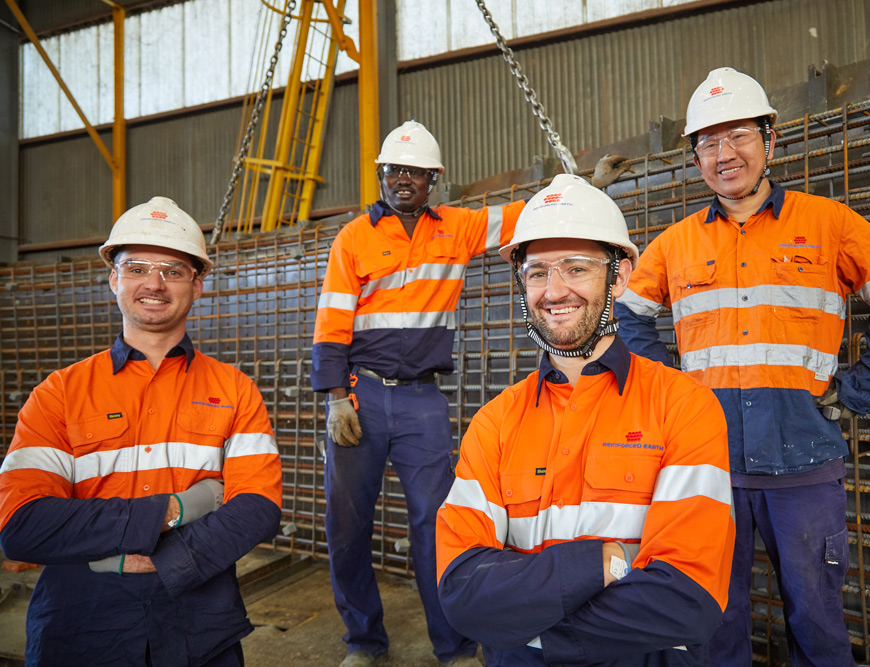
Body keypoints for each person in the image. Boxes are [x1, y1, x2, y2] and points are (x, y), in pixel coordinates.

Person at [613, 68, 870, 666]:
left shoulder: (827, 224)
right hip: (709, 468)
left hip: (804, 461)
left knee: (817, 618)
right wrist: (673, 390)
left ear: (770, 142)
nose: (724, 153)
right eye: (708, 142)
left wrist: (859, 388)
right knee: (712, 616)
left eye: (738, 135)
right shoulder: (676, 244)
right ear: (696, 157)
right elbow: (629, 318)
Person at [435, 174, 736, 667]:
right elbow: (462, 592)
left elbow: (688, 600)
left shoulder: (684, 406)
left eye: (576, 268)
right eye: (536, 273)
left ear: (618, 277)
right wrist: (600, 563)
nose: (554, 292)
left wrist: (525, 631)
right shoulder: (495, 422)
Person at [0, 196, 284, 667]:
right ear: (114, 278)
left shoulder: (235, 390)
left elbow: (257, 509)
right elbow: (22, 527)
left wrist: (155, 559)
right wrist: (176, 508)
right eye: (137, 268)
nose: (154, 283)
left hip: (200, 626)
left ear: (197, 284)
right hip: (80, 625)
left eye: (173, 271)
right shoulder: (59, 394)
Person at [311, 120, 526, 667]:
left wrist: (581, 186)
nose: (402, 179)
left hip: (422, 402)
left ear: (434, 179)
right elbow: (332, 321)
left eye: (415, 171)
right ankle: (364, 641)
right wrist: (335, 396)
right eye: (393, 170)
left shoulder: (458, 227)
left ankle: (451, 645)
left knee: (437, 523)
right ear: (381, 174)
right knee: (347, 524)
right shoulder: (354, 238)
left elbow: (525, 217)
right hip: (359, 397)